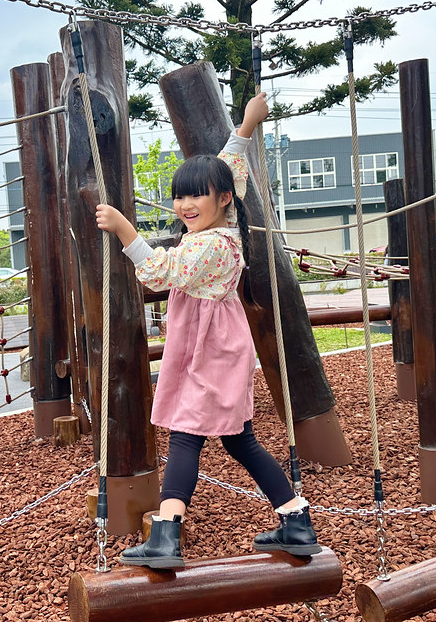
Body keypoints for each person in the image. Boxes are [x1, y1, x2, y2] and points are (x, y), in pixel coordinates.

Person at [95, 93, 320, 569]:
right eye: (180, 195)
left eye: (196, 195)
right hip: (215, 348)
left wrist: (122, 229)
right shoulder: (226, 217)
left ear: (222, 200)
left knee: (185, 433)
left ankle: (167, 534)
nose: (185, 204)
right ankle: (296, 520)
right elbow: (229, 165)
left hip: (210, 352)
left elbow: (156, 272)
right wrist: (246, 125)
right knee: (238, 439)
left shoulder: (212, 246)